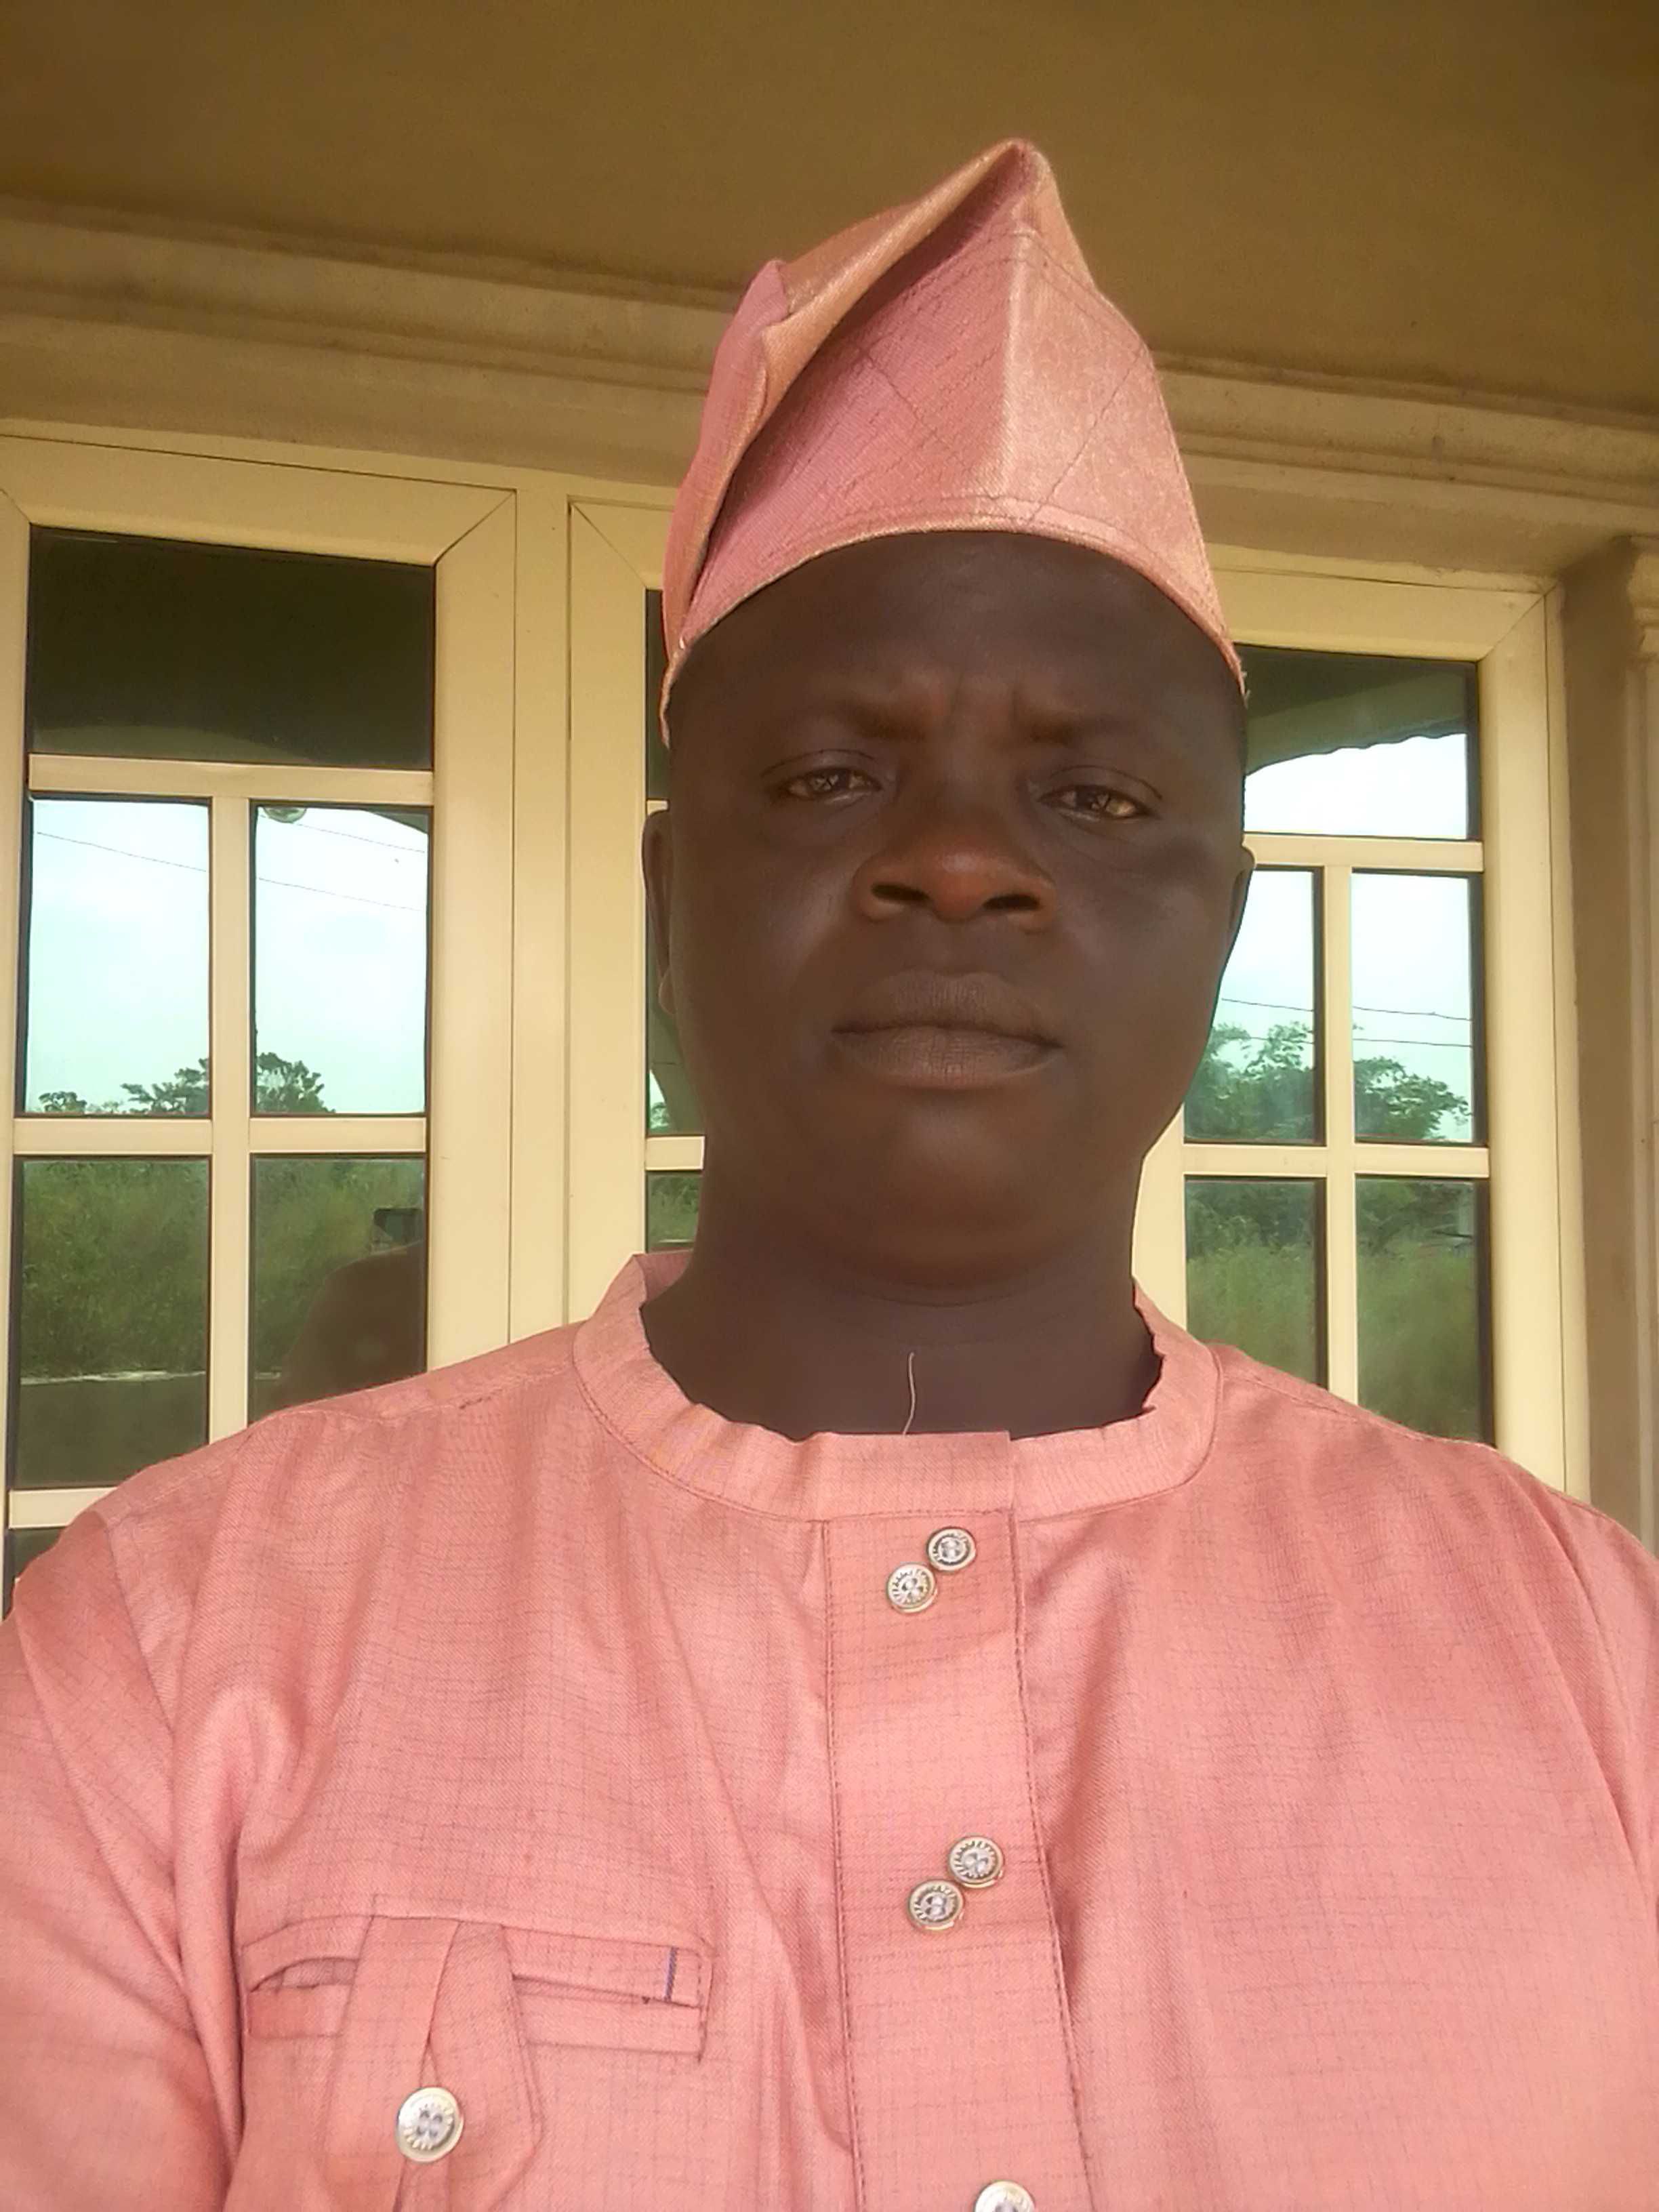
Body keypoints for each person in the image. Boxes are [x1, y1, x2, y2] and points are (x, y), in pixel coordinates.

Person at [3, 138, 1656, 2212]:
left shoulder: (1594, 1660)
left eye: (1091, 795)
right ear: (669, 904)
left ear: (1223, 927)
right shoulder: (166, 1662)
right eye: (828, 775)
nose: (957, 860)